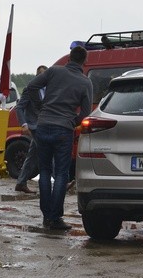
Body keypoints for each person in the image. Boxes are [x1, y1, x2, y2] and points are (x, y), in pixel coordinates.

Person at [23, 46, 92, 230]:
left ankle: (47, 216)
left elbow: (31, 87)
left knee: (44, 171)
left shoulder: (54, 71)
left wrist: (41, 107)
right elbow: (86, 113)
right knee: (61, 173)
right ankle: (55, 218)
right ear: (84, 62)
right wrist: (71, 121)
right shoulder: (85, 83)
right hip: (64, 130)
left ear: (69, 57)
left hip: (43, 125)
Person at [13, 65, 48, 194]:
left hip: (44, 124)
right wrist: (24, 124)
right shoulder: (30, 88)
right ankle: (59, 180)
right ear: (38, 76)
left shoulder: (49, 89)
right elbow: (19, 107)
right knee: (49, 150)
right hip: (34, 126)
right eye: (42, 75)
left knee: (32, 156)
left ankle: (21, 183)